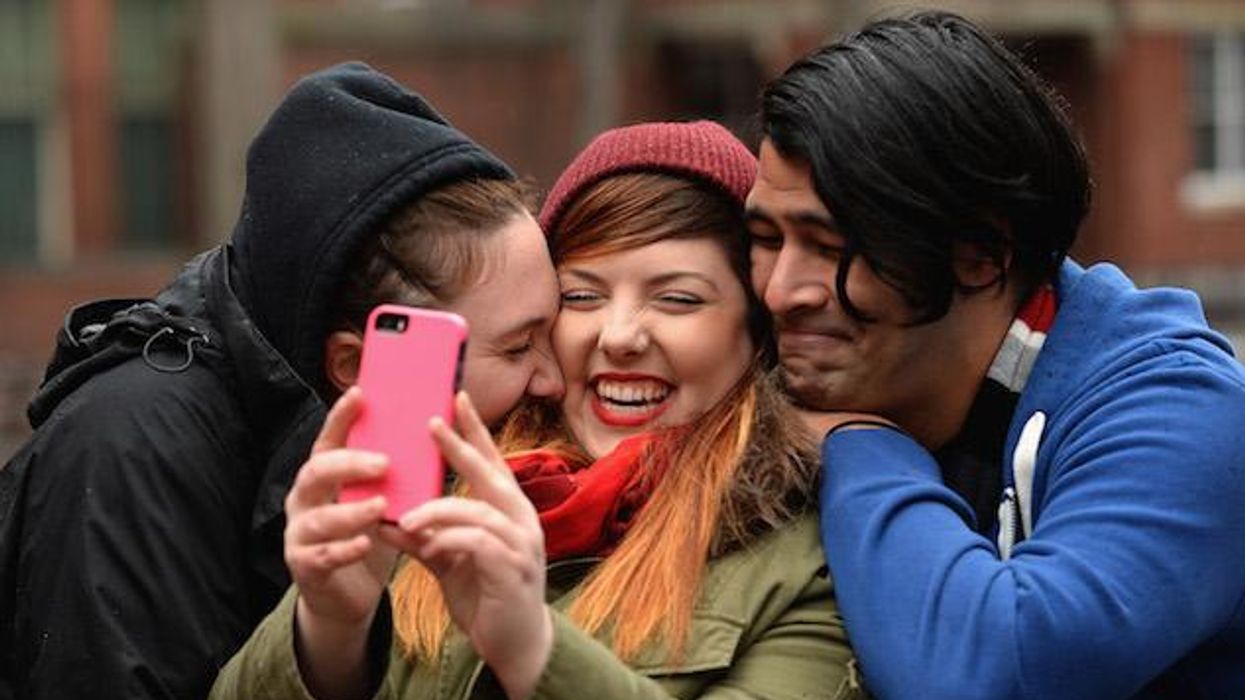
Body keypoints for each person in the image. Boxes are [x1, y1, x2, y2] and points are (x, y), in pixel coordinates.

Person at [210, 121, 864, 700]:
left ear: (754, 334)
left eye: (677, 299)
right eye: (581, 297)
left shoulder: (807, 564)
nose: (619, 336)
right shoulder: (432, 485)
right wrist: (330, 630)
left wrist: (532, 649)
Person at [0, 63, 564, 700]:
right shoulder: (131, 454)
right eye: (519, 346)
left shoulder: (341, 445)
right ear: (358, 365)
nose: (553, 378)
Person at [746, 10, 1245, 700]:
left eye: (830, 247)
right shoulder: (761, 362)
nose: (780, 291)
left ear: (980, 255)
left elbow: (998, 672)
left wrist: (858, 442)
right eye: (765, 239)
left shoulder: (1182, 412)